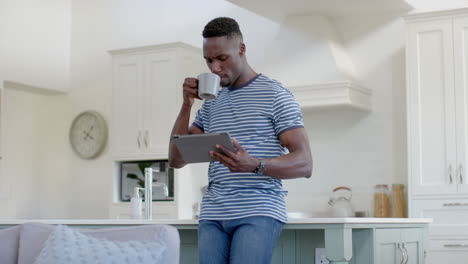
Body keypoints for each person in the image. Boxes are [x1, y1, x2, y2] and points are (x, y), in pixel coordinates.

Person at [168, 17, 312, 264]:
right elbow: (176, 159)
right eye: (209, 60)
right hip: (213, 213)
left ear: (241, 49)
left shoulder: (275, 95)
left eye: (222, 59)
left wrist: (255, 164)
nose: (214, 68)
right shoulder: (212, 102)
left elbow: (305, 163)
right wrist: (186, 105)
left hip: (258, 210)